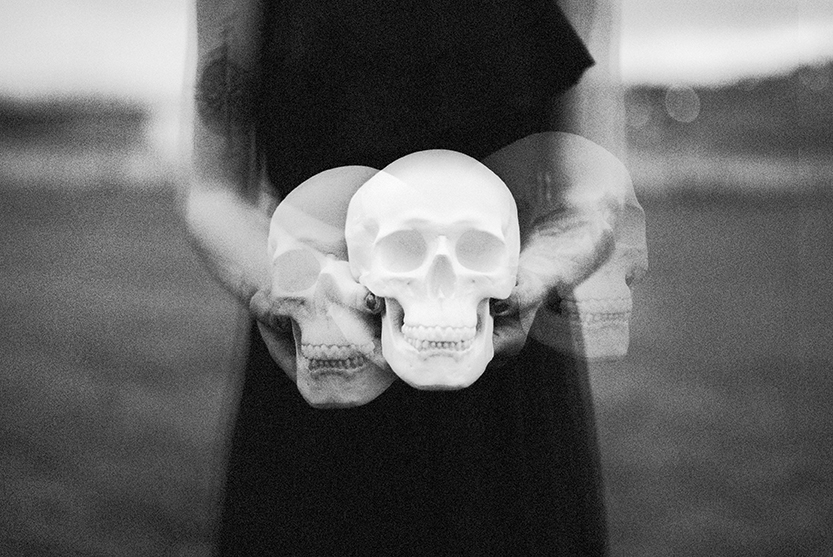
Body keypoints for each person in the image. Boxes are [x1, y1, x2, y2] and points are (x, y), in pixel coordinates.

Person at [182, 0, 645, 554]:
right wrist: (295, 287)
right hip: (318, 357)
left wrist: (537, 271)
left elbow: (592, 182)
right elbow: (215, 193)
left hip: (508, 384)